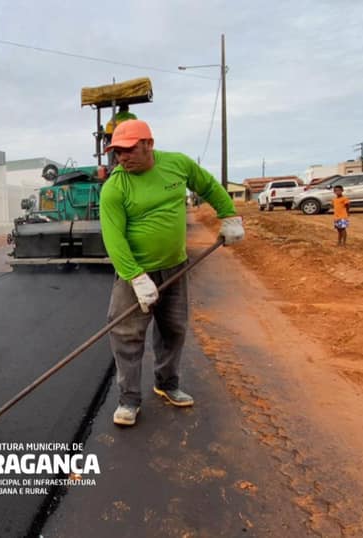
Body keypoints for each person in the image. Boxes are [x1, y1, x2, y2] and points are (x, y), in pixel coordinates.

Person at [99, 120, 244, 427]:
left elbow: (207, 185)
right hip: (134, 273)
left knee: (174, 328)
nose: (121, 158)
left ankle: (167, 384)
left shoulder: (177, 164)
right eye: (116, 153)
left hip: (175, 266)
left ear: (148, 144)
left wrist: (229, 215)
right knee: (127, 335)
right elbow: (114, 239)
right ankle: (128, 399)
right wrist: (136, 277)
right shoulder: (115, 186)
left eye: (128, 150)